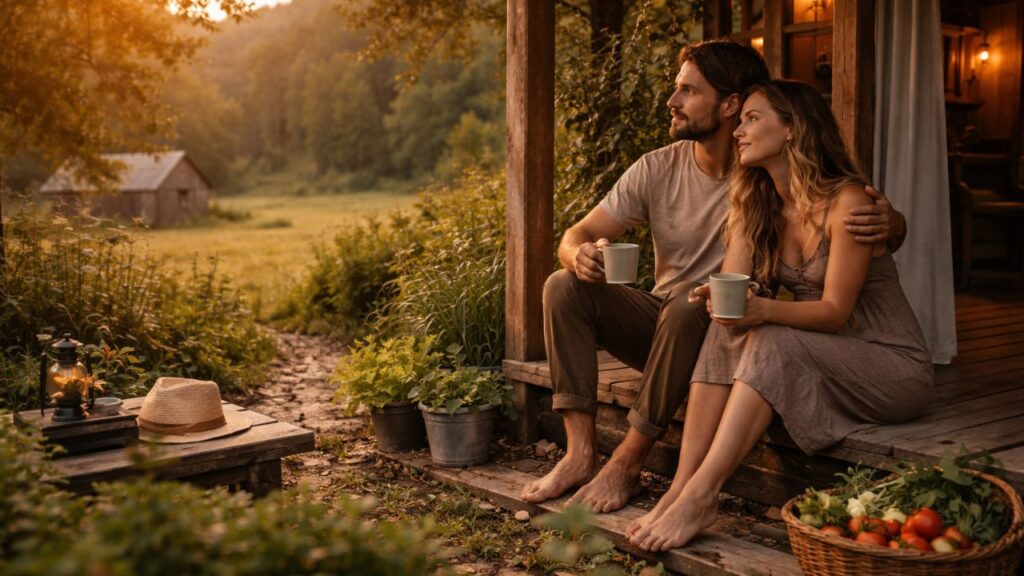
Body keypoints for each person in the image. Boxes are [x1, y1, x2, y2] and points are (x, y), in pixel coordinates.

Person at [520, 40, 907, 513]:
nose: (672, 102)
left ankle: (630, 461)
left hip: (715, 329)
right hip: (670, 328)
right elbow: (578, 232)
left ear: (729, 104)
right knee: (563, 284)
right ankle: (582, 453)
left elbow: (837, 216)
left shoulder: (766, 179)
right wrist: (578, 253)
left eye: (688, 91)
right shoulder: (674, 170)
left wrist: (893, 222)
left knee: (694, 304)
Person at [625, 79, 933, 552]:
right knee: (725, 329)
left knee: (768, 335)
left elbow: (834, 313)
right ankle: (683, 487)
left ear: (792, 128)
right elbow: (736, 288)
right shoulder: (757, 201)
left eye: (752, 119)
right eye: (740, 121)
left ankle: (705, 494)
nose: (739, 131)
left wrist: (761, 310)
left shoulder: (847, 202)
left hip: (891, 365)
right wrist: (719, 298)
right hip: (830, 356)